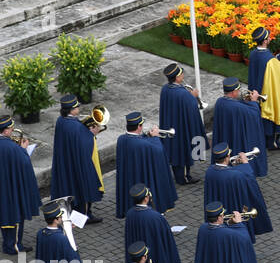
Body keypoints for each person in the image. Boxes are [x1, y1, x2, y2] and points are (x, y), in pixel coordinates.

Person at [50, 95, 104, 223]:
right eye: (76, 107)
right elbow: (86, 144)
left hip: (67, 161)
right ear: (71, 110)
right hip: (78, 164)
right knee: (84, 188)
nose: (78, 108)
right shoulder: (76, 127)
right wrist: (92, 134)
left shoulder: (61, 121)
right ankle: (85, 216)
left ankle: (74, 213)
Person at [114, 111, 178, 219]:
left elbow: (140, 142)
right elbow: (158, 151)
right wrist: (155, 137)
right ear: (139, 126)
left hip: (131, 176)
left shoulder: (121, 139)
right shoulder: (143, 145)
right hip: (143, 177)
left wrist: (147, 135)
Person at [203, 142, 271, 241]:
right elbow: (250, 184)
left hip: (218, 208)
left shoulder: (209, 171)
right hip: (233, 206)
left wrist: (235, 166)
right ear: (227, 157)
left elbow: (227, 173)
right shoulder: (235, 175)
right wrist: (245, 164)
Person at [123, 184, 184, 263]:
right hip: (154, 249)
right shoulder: (154, 217)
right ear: (146, 198)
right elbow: (165, 236)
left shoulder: (130, 213)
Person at [247, 27, 280, 152]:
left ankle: (265, 141)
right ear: (265, 41)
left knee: (262, 118)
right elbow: (277, 80)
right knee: (273, 117)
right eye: (268, 37)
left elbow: (263, 65)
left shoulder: (254, 54)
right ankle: (273, 143)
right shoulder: (270, 60)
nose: (270, 39)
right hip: (268, 94)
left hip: (256, 91)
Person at [159, 63, 205, 184]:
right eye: (181, 74)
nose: (183, 75)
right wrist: (193, 97)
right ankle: (184, 177)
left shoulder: (165, 89)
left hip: (171, 124)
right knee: (182, 152)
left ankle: (179, 174)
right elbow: (191, 107)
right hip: (181, 128)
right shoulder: (182, 93)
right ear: (177, 78)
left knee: (175, 151)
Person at [212, 77, 267, 177]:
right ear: (233, 92)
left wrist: (245, 101)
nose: (239, 92)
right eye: (238, 90)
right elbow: (254, 114)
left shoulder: (219, 102)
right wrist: (254, 101)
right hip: (237, 138)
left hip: (227, 135)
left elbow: (238, 106)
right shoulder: (237, 107)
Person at [0, 115, 40, 253]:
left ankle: (7, 243)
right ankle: (14, 246)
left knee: (3, 215)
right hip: (10, 188)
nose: (12, 130)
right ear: (5, 131)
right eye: (11, 128)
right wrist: (23, 149)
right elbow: (24, 163)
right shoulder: (13, 148)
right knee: (14, 216)